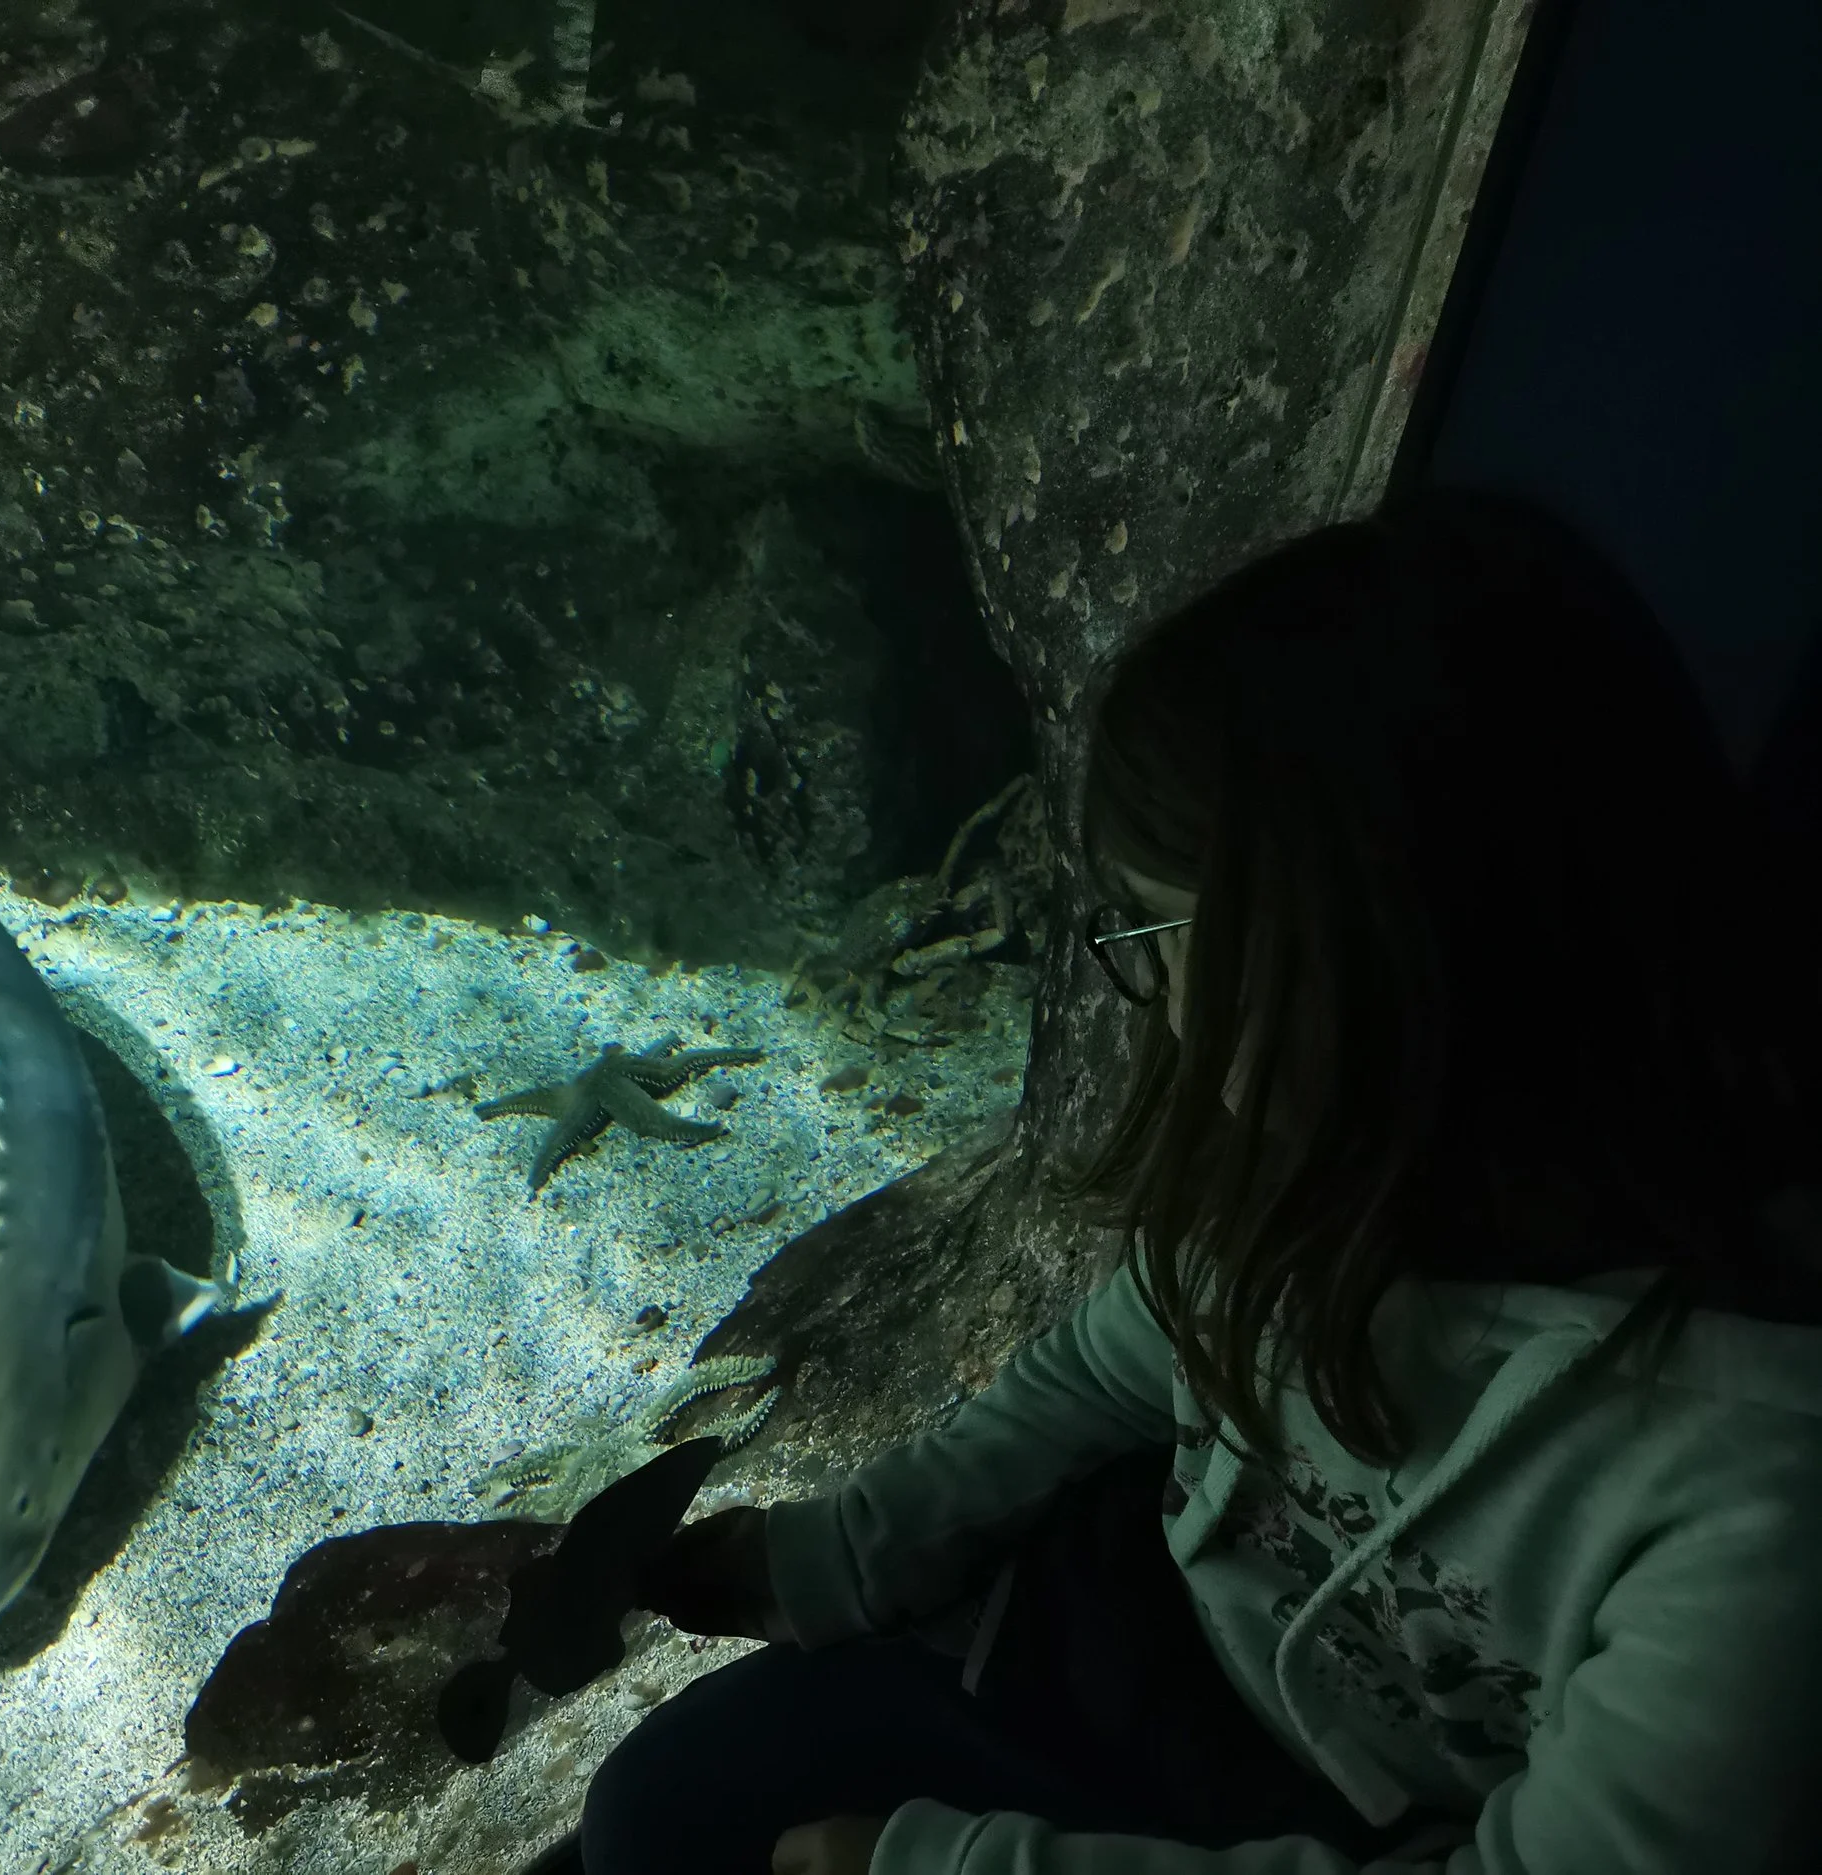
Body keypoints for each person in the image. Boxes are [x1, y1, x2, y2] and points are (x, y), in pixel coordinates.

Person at [578, 488, 1822, 1875]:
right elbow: (1110, 1364)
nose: (1145, 992)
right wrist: (845, 1550)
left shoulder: (1760, 1511)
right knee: (649, 1812)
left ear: (1390, 943)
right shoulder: (1318, 1179)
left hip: (1346, 1823)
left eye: (1163, 927)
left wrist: (942, 1865)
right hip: (1143, 1651)